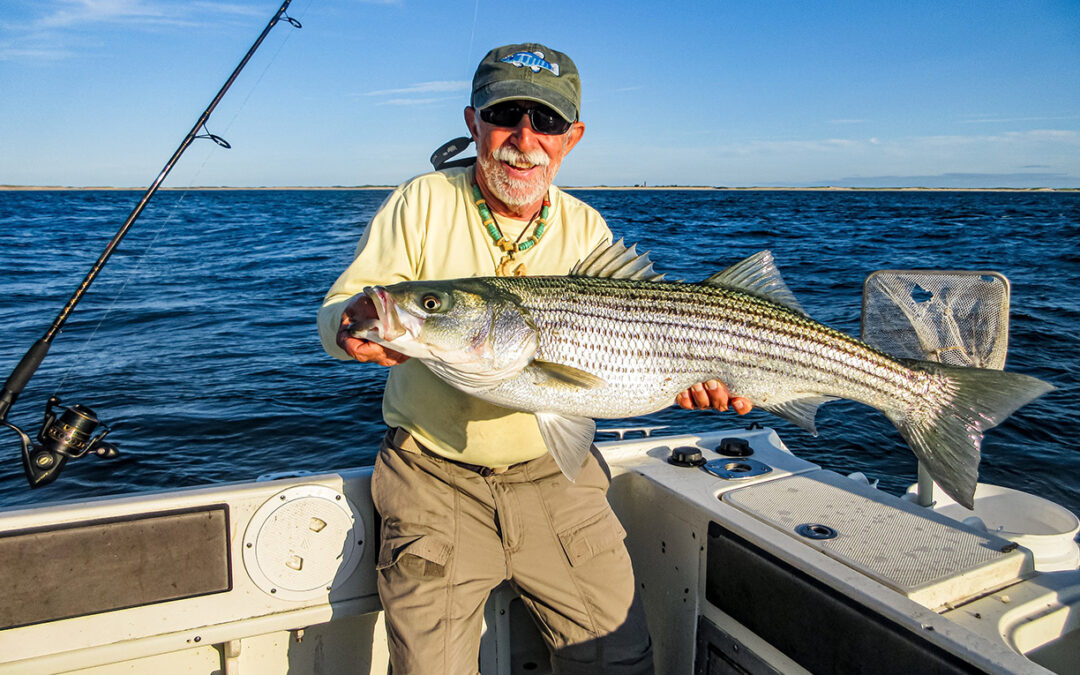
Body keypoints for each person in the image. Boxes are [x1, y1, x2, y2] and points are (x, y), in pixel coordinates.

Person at [318, 43, 750, 675]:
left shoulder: (586, 230)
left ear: (571, 138)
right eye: (505, 116)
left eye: (546, 122)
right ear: (474, 124)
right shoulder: (422, 202)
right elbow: (342, 307)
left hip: (557, 473)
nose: (524, 139)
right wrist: (351, 325)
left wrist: (698, 380)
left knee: (619, 661)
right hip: (432, 476)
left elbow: (631, 364)